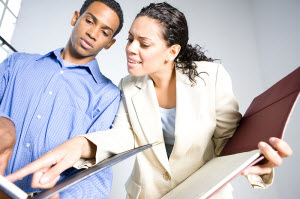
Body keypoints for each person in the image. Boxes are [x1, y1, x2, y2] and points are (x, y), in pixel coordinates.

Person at [7, 2, 293, 199]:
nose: (130, 49)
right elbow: (124, 136)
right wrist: (81, 145)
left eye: (143, 44)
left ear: (171, 52)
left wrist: (254, 163)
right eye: (130, 39)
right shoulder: (129, 86)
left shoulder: (211, 76)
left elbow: (228, 144)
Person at [0, 0, 124, 198]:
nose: (93, 33)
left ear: (110, 43)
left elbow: (97, 170)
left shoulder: (107, 96)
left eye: (104, 32)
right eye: (90, 21)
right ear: (76, 17)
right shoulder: (16, 64)